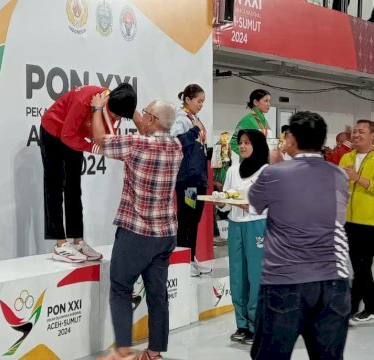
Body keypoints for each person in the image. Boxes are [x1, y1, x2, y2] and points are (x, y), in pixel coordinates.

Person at [248, 111, 352, 360]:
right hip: (335, 280)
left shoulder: (275, 173)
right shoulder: (338, 175)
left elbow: (254, 203)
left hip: (285, 280)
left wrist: (273, 164)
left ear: (290, 139)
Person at [92, 97, 181, 360]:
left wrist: (98, 108)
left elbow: (100, 139)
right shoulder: (176, 146)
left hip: (137, 232)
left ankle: (123, 351)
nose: (141, 117)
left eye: (145, 114)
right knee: (157, 295)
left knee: (120, 287)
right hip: (166, 234)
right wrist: (133, 112)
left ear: (152, 119)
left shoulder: (137, 144)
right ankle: (154, 353)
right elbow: (147, 129)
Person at [39, 83, 137, 263]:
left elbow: (108, 135)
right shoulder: (83, 100)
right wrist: (93, 147)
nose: (116, 118)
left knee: (74, 188)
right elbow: (67, 136)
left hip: (74, 134)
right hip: (54, 131)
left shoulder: (115, 103)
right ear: (107, 104)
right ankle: (60, 244)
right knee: (54, 184)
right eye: (114, 114)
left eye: (119, 117)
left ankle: (77, 241)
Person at [217, 129, 269, 345]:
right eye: (241, 143)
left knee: (256, 276)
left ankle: (258, 325)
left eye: (248, 142)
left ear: (257, 145)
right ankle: (242, 325)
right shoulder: (233, 171)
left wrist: (249, 205)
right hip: (236, 225)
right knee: (237, 275)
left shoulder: (266, 171)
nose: (244, 146)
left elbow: (268, 202)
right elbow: (227, 202)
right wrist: (218, 201)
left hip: (257, 225)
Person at [339, 120, 374, 323]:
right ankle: (371, 308)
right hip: (349, 219)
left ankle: (351, 308)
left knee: (361, 265)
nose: (355, 135)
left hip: (371, 221)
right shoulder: (347, 156)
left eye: (361, 132)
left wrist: (356, 178)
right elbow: (339, 183)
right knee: (360, 266)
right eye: (354, 131)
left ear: (373, 135)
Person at [170, 84, 209, 276]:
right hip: (188, 181)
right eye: (199, 101)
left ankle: (191, 257)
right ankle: (182, 260)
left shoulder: (195, 118)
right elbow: (174, 142)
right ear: (187, 99)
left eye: (203, 101)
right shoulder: (181, 118)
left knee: (194, 219)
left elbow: (195, 147)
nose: (201, 104)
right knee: (186, 219)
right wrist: (194, 131)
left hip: (198, 178)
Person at [231, 89, 271, 158]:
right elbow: (233, 143)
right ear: (256, 102)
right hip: (250, 166)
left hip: (264, 162)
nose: (268, 104)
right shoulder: (247, 121)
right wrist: (249, 156)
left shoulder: (265, 122)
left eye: (269, 101)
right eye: (266, 101)